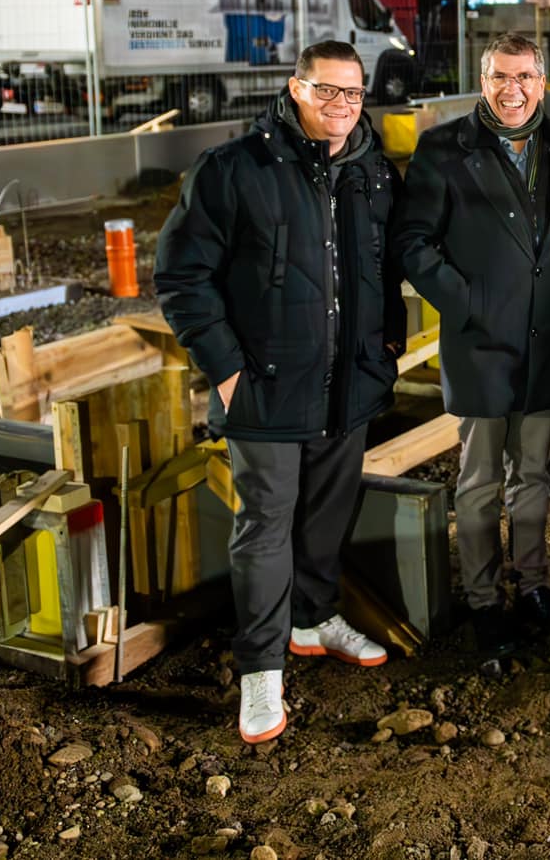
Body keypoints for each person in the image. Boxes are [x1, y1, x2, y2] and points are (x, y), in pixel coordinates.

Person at [155, 40, 405, 744]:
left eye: (353, 93)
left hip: (348, 381)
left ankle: (312, 620)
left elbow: (384, 270)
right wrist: (227, 370)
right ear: (296, 88)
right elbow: (181, 276)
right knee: (266, 526)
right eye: (326, 90)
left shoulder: (373, 173)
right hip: (264, 386)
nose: (341, 105)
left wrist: (386, 346)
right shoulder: (235, 169)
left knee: (327, 514)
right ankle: (260, 668)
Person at [392, 32, 550, 667]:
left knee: (532, 473)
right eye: (501, 77)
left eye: (525, 77)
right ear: (483, 81)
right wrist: (467, 302)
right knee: (479, 479)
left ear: (543, 82)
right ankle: (484, 602)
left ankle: (532, 587)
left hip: (544, 336)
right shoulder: (445, 149)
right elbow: (413, 242)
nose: (513, 90)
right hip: (480, 342)